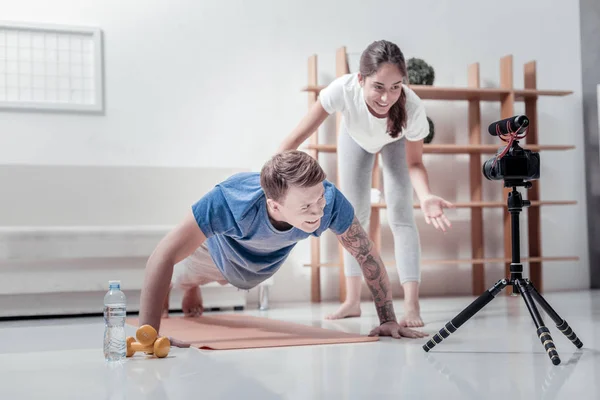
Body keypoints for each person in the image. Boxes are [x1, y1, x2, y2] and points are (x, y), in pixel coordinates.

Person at [138, 150, 428, 343]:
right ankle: (187, 287)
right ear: (274, 205)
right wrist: (148, 337)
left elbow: (366, 255)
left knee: (237, 278)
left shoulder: (328, 200)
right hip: (217, 253)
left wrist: (388, 319)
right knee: (181, 275)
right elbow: (161, 256)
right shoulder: (229, 199)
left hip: (262, 264)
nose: (318, 212)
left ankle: (194, 285)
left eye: (320, 200)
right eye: (306, 206)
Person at [277, 40, 454, 327]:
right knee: (353, 218)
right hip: (355, 140)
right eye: (379, 87)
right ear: (361, 79)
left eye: (395, 86)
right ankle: (352, 301)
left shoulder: (411, 106)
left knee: (401, 217)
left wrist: (426, 196)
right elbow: (294, 140)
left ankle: (412, 305)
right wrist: (268, 177)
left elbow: (415, 163)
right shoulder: (342, 91)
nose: (387, 97)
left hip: (395, 143)